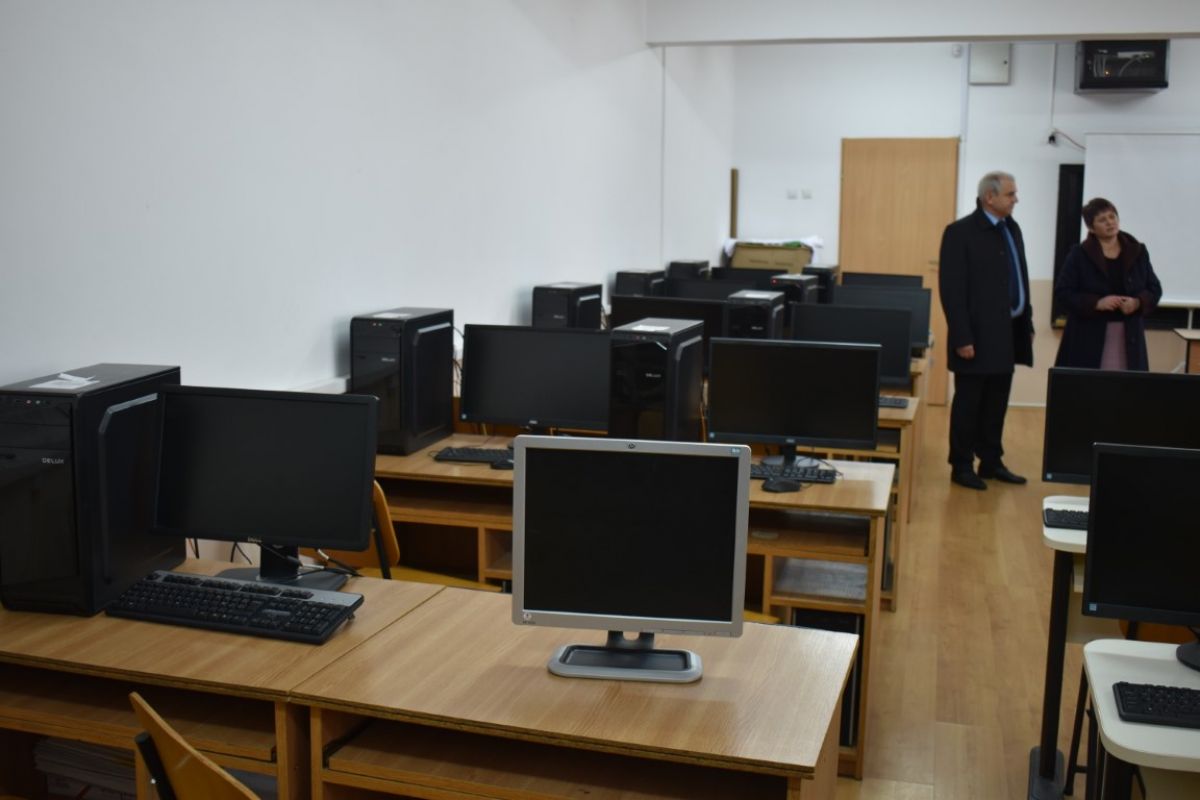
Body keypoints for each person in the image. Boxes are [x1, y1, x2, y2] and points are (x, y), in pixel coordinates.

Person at [938, 171, 1034, 490]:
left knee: (996, 403)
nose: (1016, 199)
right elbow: (952, 290)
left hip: (1008, 332)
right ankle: (962, 465)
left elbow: (1020, 277)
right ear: (989, 197)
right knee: (969, 404)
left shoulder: (1011, 228)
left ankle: (991, 462)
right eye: (1010, 194)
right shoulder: (960, 232)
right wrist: (962, 336)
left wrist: (1028, 322)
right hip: (975, 337)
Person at [1053, 197, 1162, 370]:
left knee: (1127, 386)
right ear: (1091, 228)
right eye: (1102, 220)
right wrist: (1097, 303)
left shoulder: (1138, 251)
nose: (1110, 222)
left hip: (1130, 337)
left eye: (1112, 216)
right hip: (1088, 338)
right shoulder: (1079, 254)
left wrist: (1137, 302)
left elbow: (1154, 289)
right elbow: (1063, 292)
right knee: (1092, 385)